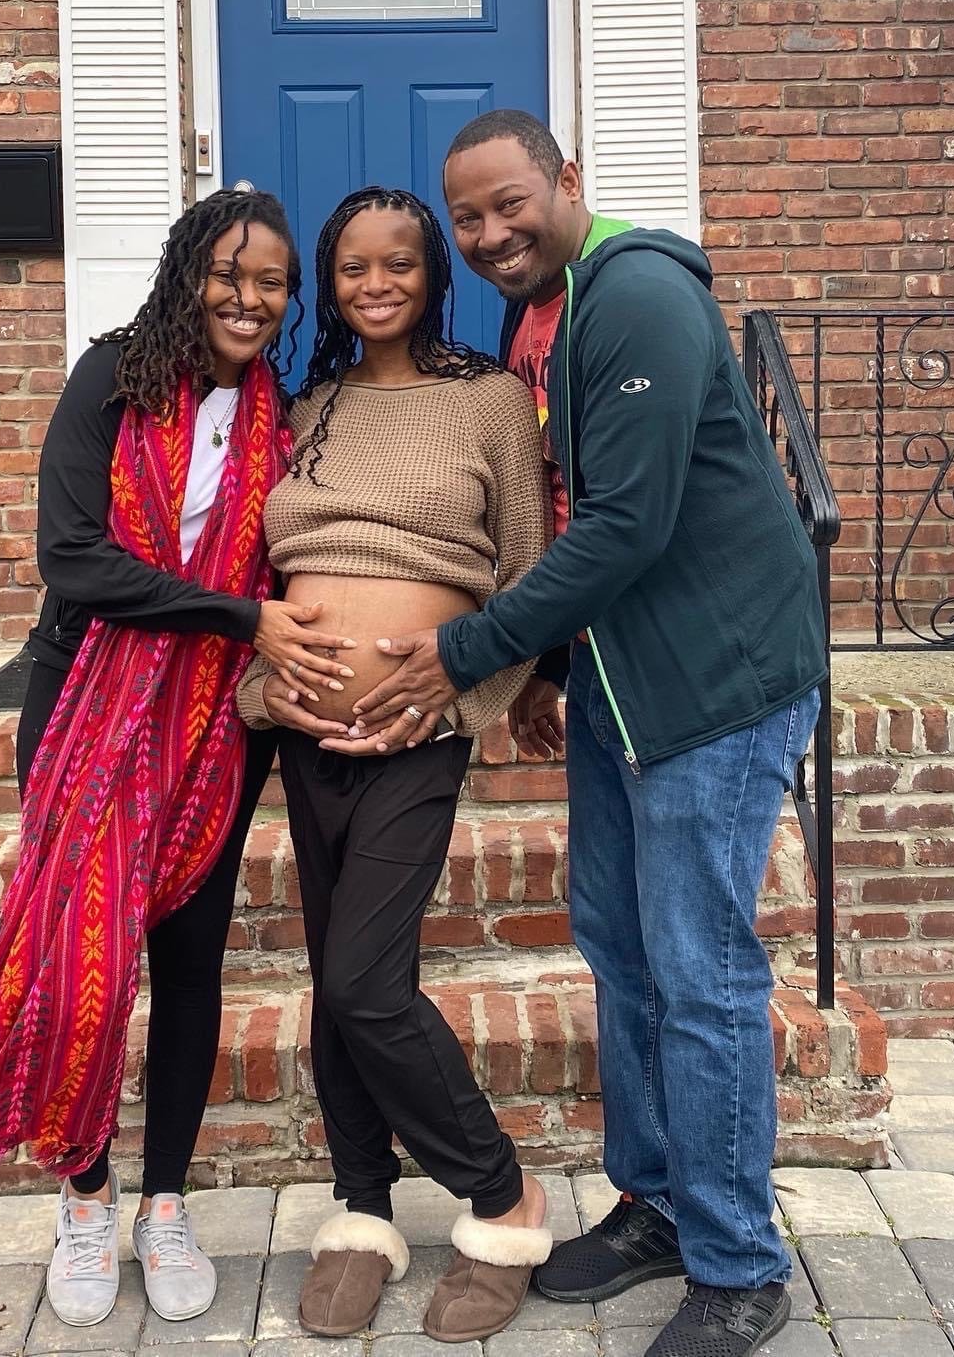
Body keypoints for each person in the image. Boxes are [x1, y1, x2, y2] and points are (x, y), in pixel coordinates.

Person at [347, 112, 828, 1357]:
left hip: (716, 689)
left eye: (512, 203)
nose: (493, 233)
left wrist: (468, 653)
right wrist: (557, 663)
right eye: (472, 219)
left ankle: (738, 1262)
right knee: (621, 947)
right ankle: (658, 1204)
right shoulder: (541, 314)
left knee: (701, 973)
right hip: (626, 691)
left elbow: (624, 527)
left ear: (570, 179)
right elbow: (564, 512)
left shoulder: (641, 299)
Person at [0, 189, 359, 1333]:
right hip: (85, 703)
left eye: (272, 284)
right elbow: (74, 557)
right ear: (185, 275)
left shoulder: (280, 413)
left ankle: (165, 1201)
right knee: (83, 957)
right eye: (229, 275)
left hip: (214, 721)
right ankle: (86, 1196)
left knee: (192, 959)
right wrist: (235, 614)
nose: (250, 300)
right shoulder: (111, 379)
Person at [235, 187, 555, 1344]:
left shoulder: (489, 404)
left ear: (434, 275)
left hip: (420, 733)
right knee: (337, 980)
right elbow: (259, 572)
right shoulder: (304, 407)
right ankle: (361, 1207)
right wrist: (271, 689)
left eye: (401, 265)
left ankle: (503, 1194)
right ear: (334, 279)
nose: (377, 285)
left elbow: (524, 571)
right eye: (355, 267)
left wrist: (465, 697)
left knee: (370, 980)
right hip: (304, 731)